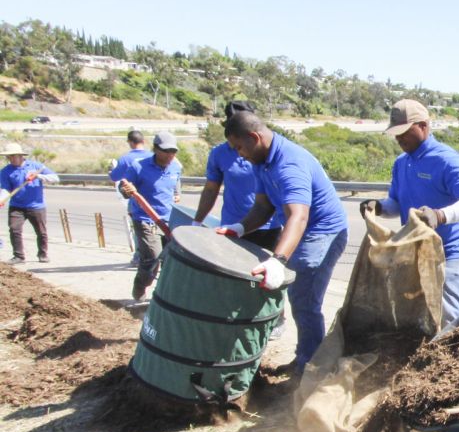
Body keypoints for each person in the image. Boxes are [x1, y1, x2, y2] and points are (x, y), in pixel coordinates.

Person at [217, 110, 348, 373]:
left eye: (239, 147)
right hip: (302, 229)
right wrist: (239, 228)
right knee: (297, 298)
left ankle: (312, 369)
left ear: (255, 137)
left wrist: (278, 260)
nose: (239, 154)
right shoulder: (261, 162)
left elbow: (298, 216)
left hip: (322, 233)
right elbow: (263, 206)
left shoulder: (289, 164)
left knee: (304, 301)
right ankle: (305, 358)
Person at [361, 98, 459, 326]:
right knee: (419, 314)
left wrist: (440, 215)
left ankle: (455, 349)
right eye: (396, 133)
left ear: (423, 126)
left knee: (449, 314)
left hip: (452, 250)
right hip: (418, 248)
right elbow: (396, 203)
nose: (399, 138)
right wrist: (379, 207)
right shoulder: (402, 163)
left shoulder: (447, 161)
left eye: (404, 132)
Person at [193, 101, 280, 249]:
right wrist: (197, 222)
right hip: (231, 227)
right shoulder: (218, 154)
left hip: (267, 227)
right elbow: (210, 190)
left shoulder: (266, 152)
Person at [117, 132, 182, 302]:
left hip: (168, 220)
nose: (170, 155)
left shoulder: (175, 167)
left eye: (173, 151)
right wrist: (126, 190)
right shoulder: (138, 167)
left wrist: (177, 193)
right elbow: (124, 187)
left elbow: (176, 185)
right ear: (156, 149)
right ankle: (140, 287)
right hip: (145, 219)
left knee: (171, 260)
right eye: (166, 151)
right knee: (153, 258)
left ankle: (165, 297)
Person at [1, 142, 59, 264]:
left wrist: (39, 176)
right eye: (9, 156)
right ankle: (18, 256)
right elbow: (6, 189)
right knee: (14, 229)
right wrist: (2, 199)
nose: (11, 159)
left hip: (36, 206)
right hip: (17, 206)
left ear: (20, 155)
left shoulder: (36, 166)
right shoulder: (6, 171)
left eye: (13, 156)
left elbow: (55, 178)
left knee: (41, 232)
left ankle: (43, 254)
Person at [108, 130, 153, 266]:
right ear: (143, 141)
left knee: (139, 227)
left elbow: (114, 177)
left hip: (136, 199)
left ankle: (139, 256)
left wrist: (110, 170)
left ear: (130, 142)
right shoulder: (153, 156)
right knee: (156, 227)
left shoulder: (126, 159)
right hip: (154, 197)